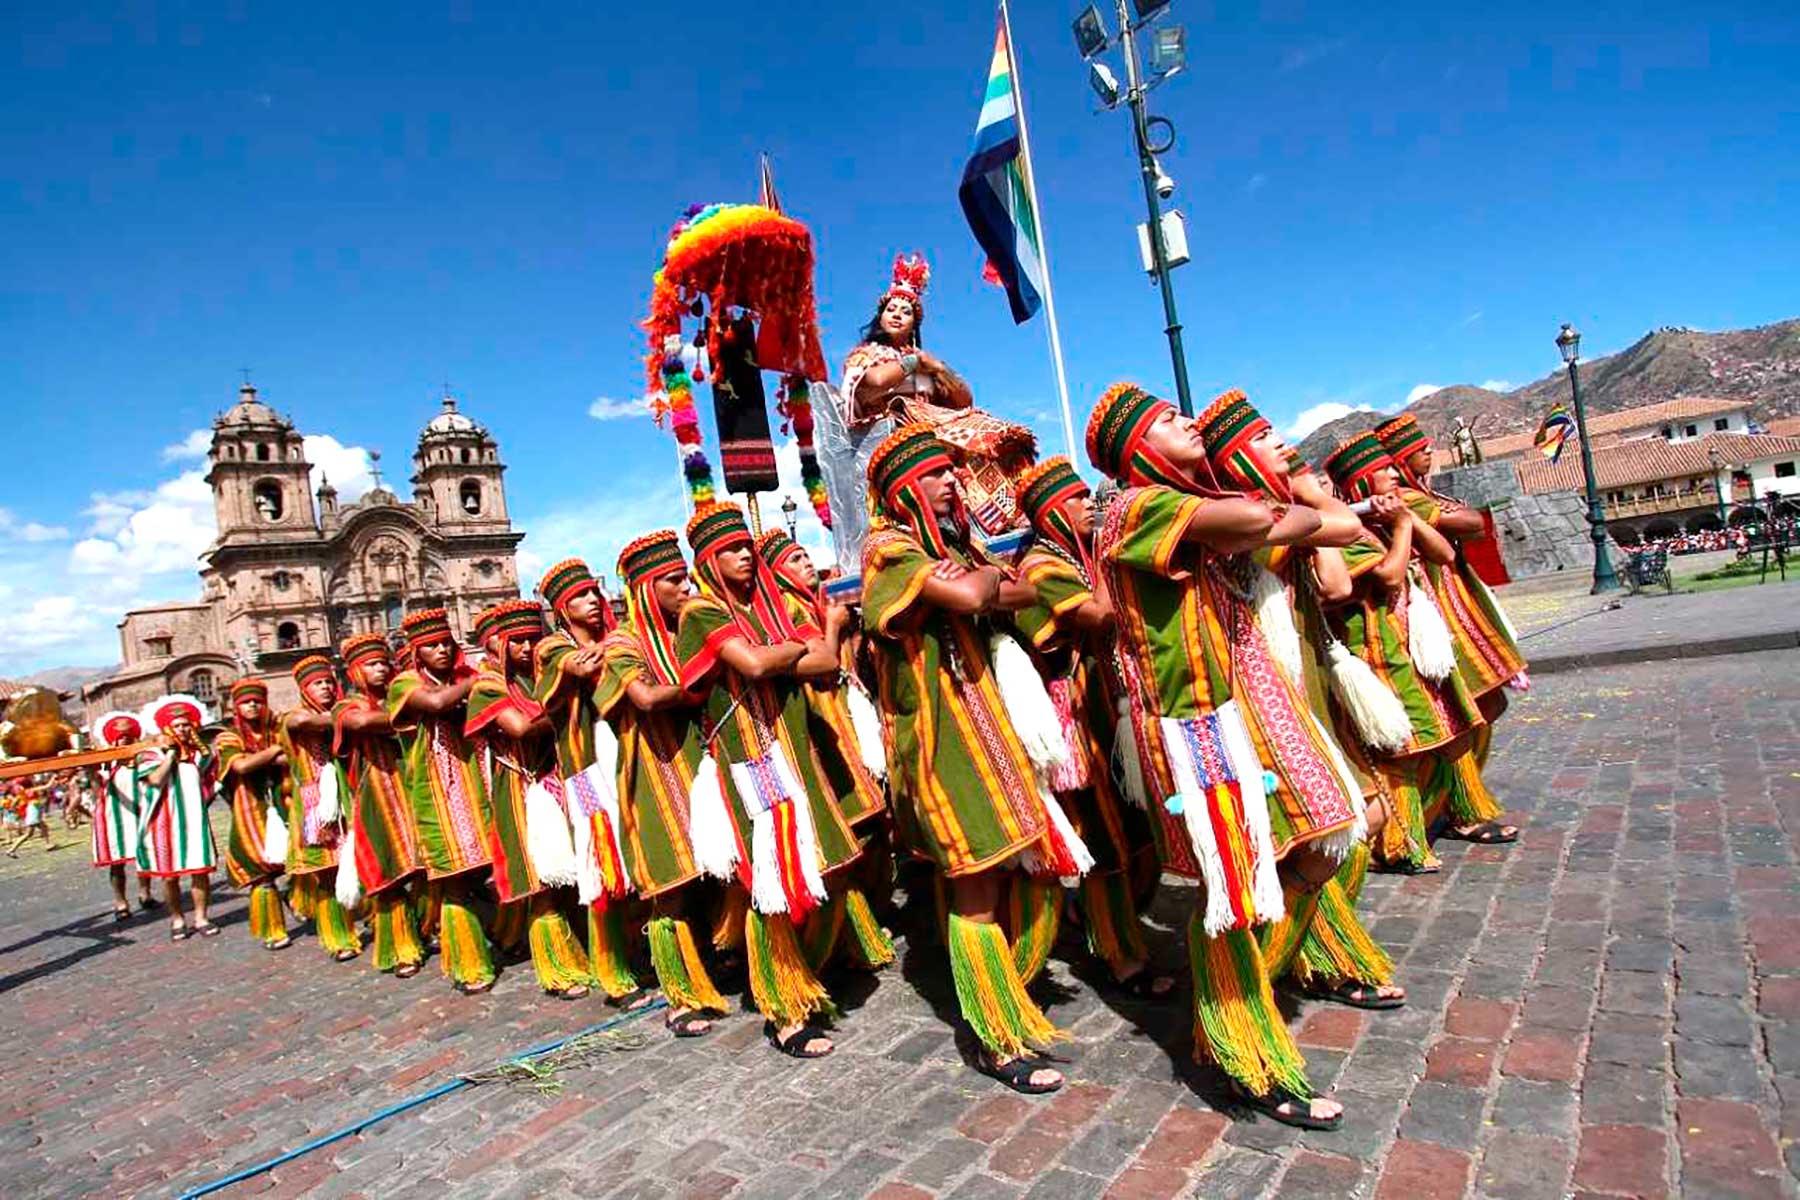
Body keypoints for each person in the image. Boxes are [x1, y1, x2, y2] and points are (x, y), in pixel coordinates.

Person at [1084, 384, 1348, 1129]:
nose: (1187, 422)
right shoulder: (1136, 506)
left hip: (1235, 715)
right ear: (1138, 449)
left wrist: (1287, 512)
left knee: (1324, 837)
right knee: (1232, 896)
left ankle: (1228, 1001)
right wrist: (1287, 506)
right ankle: (1247, 1055)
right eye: (1167, 420)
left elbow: (1314, 529)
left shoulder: (1176, 506)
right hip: (1192, 728)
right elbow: (1258, 519)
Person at [861, 425, 1090, 1095]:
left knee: (1030, 864)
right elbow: (973, 596)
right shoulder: (887, 548)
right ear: (903, 488)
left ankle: (1007, 989)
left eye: (950, 473)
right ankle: (993, 1033)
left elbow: (1021, 594)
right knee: (978, 880)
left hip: (993, 725)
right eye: (933, 475)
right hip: (942, 740)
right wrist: (985, 580)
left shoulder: (961, 546)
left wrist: (981, 576)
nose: (949, 481)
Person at [1192, 396, 1407, 1011]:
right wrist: (1311, 496)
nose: (1284, 445)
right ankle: (1264, 973)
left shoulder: (1277, 509)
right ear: (1238, 460)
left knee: (1350, 824)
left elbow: (1334, 575)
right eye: (1265, 438)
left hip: (1306, 679)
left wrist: (1305, 494)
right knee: (1331, 828)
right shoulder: (1241, 522)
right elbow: (1341, 573)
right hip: (1266, 695)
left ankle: (1316, 952)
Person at [677, 501, 863, 1060]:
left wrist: (788, 648)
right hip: (749, 763)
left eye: (748, 546)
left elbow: (825, 662)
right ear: (710, 559)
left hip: (794, 755)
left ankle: (807, 972)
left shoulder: (772, 606)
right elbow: (756, 666)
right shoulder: (701, 613)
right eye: (733, 548)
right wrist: (789, 651)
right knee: (771, 885)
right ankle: (784, 1010)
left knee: (819, 866)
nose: (746, 554)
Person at [1009, 456, 1173, 998]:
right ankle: (1121, 955)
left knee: (1141, 834)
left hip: (1118, 706)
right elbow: (1099, 615)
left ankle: (1103, 922)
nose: (1089, 505)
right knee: (1105, 839)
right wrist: (1117, 553)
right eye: (1077, 498)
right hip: (1082, 718)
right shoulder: (1040, 565)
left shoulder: (1077, 555)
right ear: (1053, 509)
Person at [1319, 433, 1490, 872]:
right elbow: (1391, 577)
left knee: (1437, 734)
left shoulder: (1391, 520)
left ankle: (1428, 824)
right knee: (1399, 749)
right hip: (1377, 652)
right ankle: (1397, 843)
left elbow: (1445, 553)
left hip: (1412, 647)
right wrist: (1400, 529)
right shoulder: (1351, 535)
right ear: (1361, 482)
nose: (1394, 474)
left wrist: (1408, 519)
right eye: (1382, 471)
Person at [584, 536, 731, 1034]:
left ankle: (720, 959)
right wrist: (697, 687)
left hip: (701, 760)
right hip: (652, 771)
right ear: (647, 589)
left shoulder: (688, 628)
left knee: (719, 868)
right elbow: (644, 698)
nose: (685, 586)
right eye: (674, 580)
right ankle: (680, 995)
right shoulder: (622, 645)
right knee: (670, 884)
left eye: (686, 576)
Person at [1375, 413, 1526, 836]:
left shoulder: (1419, 498)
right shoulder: (1409, 498)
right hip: (1434, 613)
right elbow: (1472, 524)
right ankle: (1453, 805)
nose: (1429, 453)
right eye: (1419, 449)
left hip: (1448, 601)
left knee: (1481, 705)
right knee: (1466, 708)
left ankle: (1456, 797)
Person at [755, 527, 896, 974]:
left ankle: (862, 926)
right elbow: (820, 668)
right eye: (795, 560)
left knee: (871, 824)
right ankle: (848, 936)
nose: (808, 566)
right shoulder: (789, 608)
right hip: (822, 725)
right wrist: (833, 629)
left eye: (805, 556)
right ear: (777, 572)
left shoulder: (814, 602)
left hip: (847, 720)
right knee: (853, 827)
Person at [834, 254, 1036, 543]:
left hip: (931, 428)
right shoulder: (867, 355)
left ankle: (1012, 512)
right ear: (880, 316)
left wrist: (939, 368)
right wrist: (913, 365)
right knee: (968, 443)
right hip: (895, 438)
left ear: (914, 324)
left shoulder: (926, 362)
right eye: (891, 308)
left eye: (905, 311)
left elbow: (964, 399)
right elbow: (874, 383)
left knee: (997, 434)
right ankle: (980, 526)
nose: (896, 314)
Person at [533, 559, 656, 1010]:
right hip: (584, 767)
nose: (593, 600)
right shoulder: (552, 646)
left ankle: (642, 956)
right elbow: (571, 667)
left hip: (622, 755)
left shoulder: (614, 639)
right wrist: (590, 661)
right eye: (581, 595)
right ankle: (614, 973)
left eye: (594, 592)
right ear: (563, 607)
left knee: (634, 851)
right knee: (600, 864)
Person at [466, 599, 594, 999]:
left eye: (532, 638)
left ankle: (589, 952)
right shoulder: (488, 686)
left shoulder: (546, 676)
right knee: (540, 881)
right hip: (521, 790)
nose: (525, 647)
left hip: (561, 779)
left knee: (577, 872)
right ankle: (559, 968)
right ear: (500, 645)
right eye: (516, 640)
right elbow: (520, 728)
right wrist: (565, 697)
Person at [388, 609, 497, 993]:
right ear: (416, 652)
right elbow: (435, 705)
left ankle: (501, 934)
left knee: (487, 869)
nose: (442, 651)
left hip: (475, 785)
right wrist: (475, 684)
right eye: (431, 645)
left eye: (447, 644)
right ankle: (468, 962)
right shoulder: (403, 684)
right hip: (434, 793)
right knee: (451, 878)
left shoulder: (463, 678)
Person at [334, 632, 428, 978]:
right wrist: (412, 711)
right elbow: (361, 723)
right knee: (387, 872)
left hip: (410, 788)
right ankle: (399, 945)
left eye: (384, 663)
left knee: (424, 866)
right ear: (355, 672)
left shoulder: (398, 696)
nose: (381, 670)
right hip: (374, 797)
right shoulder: (346, 706)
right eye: (371, 664)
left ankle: (426, 929)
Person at [278, 658, 362, 961]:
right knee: (326, 874)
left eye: (329, 681)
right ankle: (338, 937)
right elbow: (305, 724)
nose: (325, 687)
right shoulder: (292, 717)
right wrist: (351, 716)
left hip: (346, 798)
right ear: (304, 688)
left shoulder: (344, 709)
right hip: (315, 805)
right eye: (317, 683)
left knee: (354, 862)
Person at [215, 679, 291, 951]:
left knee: (298, 857)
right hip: (249, 808)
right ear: (235, 707)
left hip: (283, 801)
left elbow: (291, 758)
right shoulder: (228, 737)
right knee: (260, 869)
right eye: (246, 702)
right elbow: (243, 767)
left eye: (257, 701)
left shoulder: (277, 728)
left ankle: (300, 901)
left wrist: (267, 756)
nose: (252, 706)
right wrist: (273, 751)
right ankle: (273, 928)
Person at [136, 694, 218, 940]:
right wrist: (170, 755)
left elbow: (209, 779)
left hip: (193, 821)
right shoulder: (150, 755)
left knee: (199, 870)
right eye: (177, 725)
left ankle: (201, 917)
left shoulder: (198, 755)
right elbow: (155, 780)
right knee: (170, 875)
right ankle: (177, 918)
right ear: (166, 728)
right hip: (162, 822)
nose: (182, 730)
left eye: (186, 725)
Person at [86, 711, 156, 920]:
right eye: (119, 736)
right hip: (113, 817)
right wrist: (91, 770)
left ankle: (145, 894)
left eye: (128, 735)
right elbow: (98, 791)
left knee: (145, 858)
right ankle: (120, 902)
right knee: (117, 863)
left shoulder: (144, 761)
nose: (124, 738)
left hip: (140, 813)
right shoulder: (105, 766)